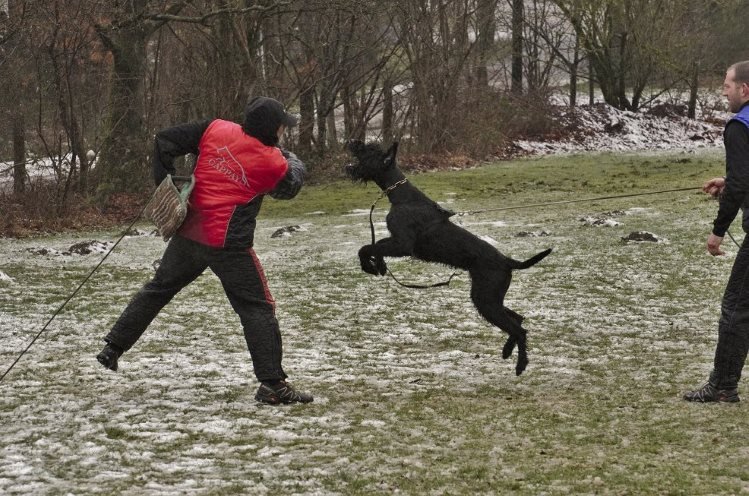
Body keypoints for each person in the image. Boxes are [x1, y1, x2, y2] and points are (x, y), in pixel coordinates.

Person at [96, 96, 313, 405]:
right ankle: (272, 385)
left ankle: (113, 348)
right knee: (257, 308)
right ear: (274, 128)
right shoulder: (272, 161)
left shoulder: (215, 129)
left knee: (158, 289)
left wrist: (166, 185)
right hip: (228, 245)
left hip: (189, 234)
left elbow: (164, 140)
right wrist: (292, 158)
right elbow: (290, 187)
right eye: (283, 125)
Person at [684, 61, 749, 403]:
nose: (723, 91)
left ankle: (723, 386)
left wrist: (718, 231)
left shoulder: (739, 126)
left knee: (736, 307)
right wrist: (728, 182)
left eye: (727, 86)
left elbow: (741, 183)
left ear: (744, 89)